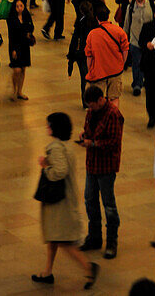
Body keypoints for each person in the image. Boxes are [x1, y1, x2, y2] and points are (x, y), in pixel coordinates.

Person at [31, 111, 99, 289]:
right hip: (65, 199)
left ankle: (88, 268)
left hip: (59, 203)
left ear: (54, 128)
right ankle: (47, 272)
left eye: (48, 124)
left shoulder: (56, 147)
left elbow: (59, 172)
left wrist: (46, 167)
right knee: (54, 237)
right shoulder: (67, 146)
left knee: (63, 241)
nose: (47, 127)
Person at [79, 84, 125, 259]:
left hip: (106, 166)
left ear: (101, 99)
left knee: (109, 204)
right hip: (92, 164)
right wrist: (84, 136)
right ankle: (94, 237)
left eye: (92, 105)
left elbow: (114, 142)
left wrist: (93, 144)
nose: (90, 109)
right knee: (90, 199)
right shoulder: (91, 112)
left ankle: (112, 241)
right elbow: (88, 129)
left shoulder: (113, 115)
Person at [84, 4, 129, 106]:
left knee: (97, 99)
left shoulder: (92, 34)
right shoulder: (119, 31)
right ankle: (113, 118)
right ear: (108, 16)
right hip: (115, 70)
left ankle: (101, 120)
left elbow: (89, 56)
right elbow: (125, 49)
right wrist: (122, 64)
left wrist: (90, 69)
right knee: (114, 97)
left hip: (99, 72)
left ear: (96, 18)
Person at [122, 0, 153, 96]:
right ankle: (137, 84)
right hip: (134, 40)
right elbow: (126, 24)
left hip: (148, 41)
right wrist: (124, 39)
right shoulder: (130, 8)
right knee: (136, 63)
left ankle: (142, 80)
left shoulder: (152, 5)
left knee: (146, 63)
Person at [68, 1, 99, 106]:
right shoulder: (95, 23)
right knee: (93, 78)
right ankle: (94, 99)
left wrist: (71, 54)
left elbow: (75, 38)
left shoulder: (80, 23)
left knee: (84, 78)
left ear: (81, 11)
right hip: (94, 54)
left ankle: (85, 101)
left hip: (82, 54)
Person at [6, 0, 35, 100]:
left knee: (23, 69)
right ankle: (14, 90)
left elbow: (32, 27)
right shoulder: (11, 18)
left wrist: (29, 33)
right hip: (15, 46)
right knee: (17, 70)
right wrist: (13, 49)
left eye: (21, 6)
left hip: (25, 45)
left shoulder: (27, 16)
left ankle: (19, 91)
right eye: (17, 6)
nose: (19, 8)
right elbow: (11, 34)